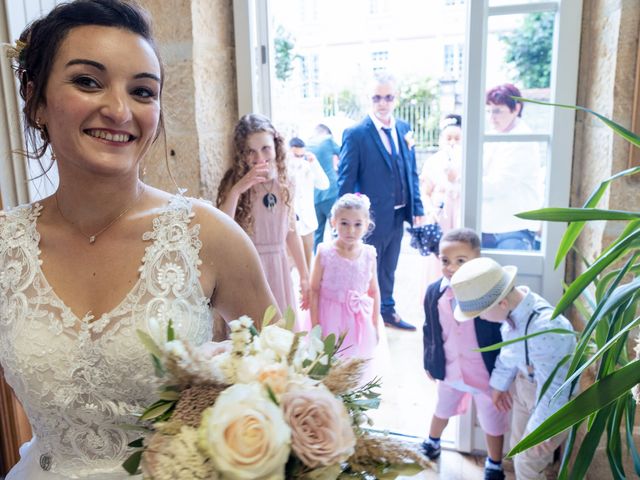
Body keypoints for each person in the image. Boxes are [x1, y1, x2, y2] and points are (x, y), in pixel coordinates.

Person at [0, 1, 277, 479]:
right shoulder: (6, 245)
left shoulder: (207, 236)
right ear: (36, 99)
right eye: (87, 81)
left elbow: (288, 378)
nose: (119, 109)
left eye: (143, 91)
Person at [451, 257, 576, 480]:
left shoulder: (546, 328)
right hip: (525, 388)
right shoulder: (514, 313)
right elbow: (510, 353)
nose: (480, 318)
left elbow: (554, 391)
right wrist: (498, 385)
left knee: (527, 459)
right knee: (517, 448)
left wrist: (541, 432)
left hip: (551, 401)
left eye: (481, 313)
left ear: (502, 304)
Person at [338, 71, 424, 331]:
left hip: (398, 213)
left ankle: (387, 310)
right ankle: (362, 316)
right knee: (364, 268)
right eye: (377, 97)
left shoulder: (403, 129)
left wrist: (417, 207)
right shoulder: (356, 134)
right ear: (369, 99)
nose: (383, 103)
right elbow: (345, 181)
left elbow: (411, 170)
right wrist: (345, 221)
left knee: (390, 266)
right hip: (369, 219)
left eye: (388, 97)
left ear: (395, 98)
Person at [421, 229, 506, 480]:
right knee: (441, 408)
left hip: (483, 372)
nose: (451, 267)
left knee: (492, 419)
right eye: (445, 261)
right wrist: (429, 360)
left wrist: (503, 375)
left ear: (476, 259)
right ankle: (432, 442)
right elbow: (430, 329)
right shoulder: (434, 291)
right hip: (450, 367)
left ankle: (494, 462)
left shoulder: (487, 292)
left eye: (461, 261)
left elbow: (501, 333)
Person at [217, 114, 310, 326]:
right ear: (242, 154)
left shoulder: (286, 183)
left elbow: (291, 232)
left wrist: (304, 276)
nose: (260, 157)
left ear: (276, 147)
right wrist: (239, 188)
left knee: (283, 336)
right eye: (251, 151)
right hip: (249, 270)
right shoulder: (236, 184)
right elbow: (222, 226)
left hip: (279, 269)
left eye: (266, 148)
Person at [309, 193, 381, 382]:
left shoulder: (369, 254)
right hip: (329, 315)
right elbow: (314, 289)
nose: (351, 230)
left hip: (357, 319)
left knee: (353, 366)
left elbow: (373, 290)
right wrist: (315, 323)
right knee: (329, 364)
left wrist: (374, 324)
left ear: (367, 224)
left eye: (357, 224)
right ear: (333, 222)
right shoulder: (325, 252)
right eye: (344, 223)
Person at [482, 83, 544, 250]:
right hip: (490, 225)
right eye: (489, 111)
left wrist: (463, 181)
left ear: (516, 109)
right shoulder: (493, 135)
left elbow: (499, 184)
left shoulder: (523, 140)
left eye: (497, 111)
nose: (491, 117)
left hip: (514, 228)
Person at [420, 114, 463, 287]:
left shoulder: (468, 161)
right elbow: (424, 192)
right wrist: (430, 210)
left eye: (457, 138)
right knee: (437, 256)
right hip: (439, 215)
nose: (452, 142)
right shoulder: (433, 161)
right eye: (448, 138)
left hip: (459, 212)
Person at [287, 136, 329, 269]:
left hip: (307, 224)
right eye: (295, 155)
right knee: (288, 264)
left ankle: (303, 289)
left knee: (307, 265)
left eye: (301, 155)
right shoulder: (283, 169)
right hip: (290, 224)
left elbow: (324, 185)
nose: (298, 158)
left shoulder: (308, 166)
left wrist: (314, 163)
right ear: (288, 151)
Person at [307, 123, 340, 251]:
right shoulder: (328, 140)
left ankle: (317, 263)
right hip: (330, 192)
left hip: (314, 195)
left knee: (317, 234)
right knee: (337, 229)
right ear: (327, 132)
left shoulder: (307, 144)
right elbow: (344, 152)